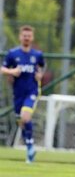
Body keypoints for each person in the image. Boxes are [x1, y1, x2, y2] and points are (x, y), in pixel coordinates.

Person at [1, 25, 45, 163]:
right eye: (24, 35)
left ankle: (30, 146)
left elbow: (42, 67)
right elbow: (3, 69)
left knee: (26, 117)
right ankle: (29, 149)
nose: (26, 38)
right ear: (20, 37)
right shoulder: (13, 54)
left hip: (32, 91)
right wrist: (11, 72)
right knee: (21, 121)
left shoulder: (37, 55)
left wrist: (40, 75)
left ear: (32, 38)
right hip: (17, 93)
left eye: (29, 36)